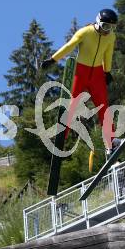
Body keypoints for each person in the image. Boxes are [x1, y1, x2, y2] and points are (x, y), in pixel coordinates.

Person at [40, 9, 118, 155]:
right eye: (106, 26)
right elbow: (70, 46)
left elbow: (108, 53)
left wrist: (107, 71)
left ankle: (110, 142)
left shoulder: (111, 37)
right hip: (80, 72)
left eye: (112, 28)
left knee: (103, 108)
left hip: (97, 74)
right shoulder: (85, 32)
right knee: (73, 104)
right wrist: (53, 59)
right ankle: (62, 137)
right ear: (99, 22)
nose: (109, 31)